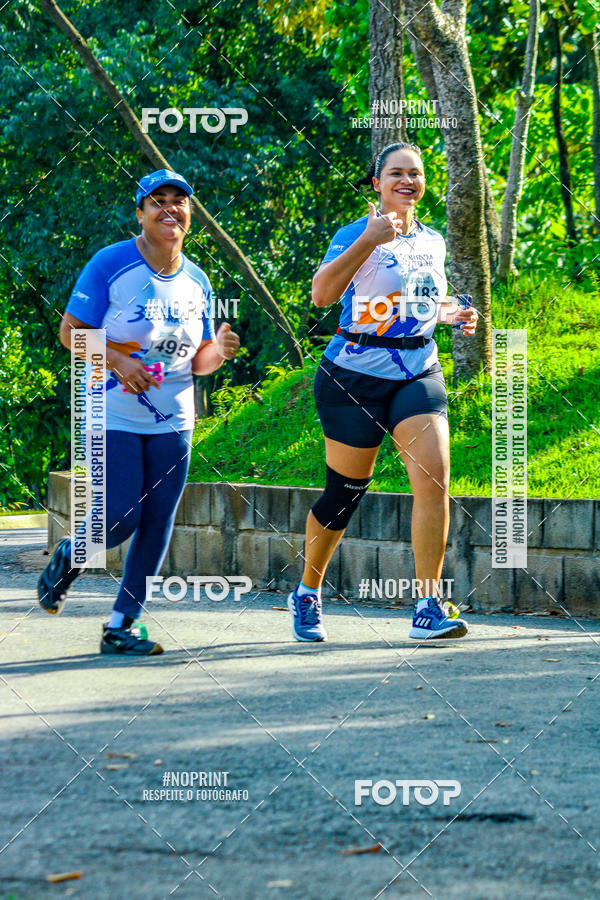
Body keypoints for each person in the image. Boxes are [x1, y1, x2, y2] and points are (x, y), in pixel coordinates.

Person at [38, 168, 240, 655]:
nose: (170, 208)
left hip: (174, 418)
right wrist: (118, 360)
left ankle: (121, 626)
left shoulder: (197, 280)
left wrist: (220, 351)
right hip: (111, 412)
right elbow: (70, 334)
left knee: (157, 523)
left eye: (179, 200)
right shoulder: (111, 263)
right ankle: (71, 554)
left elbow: (199, 360)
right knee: (120, 518)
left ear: (190, 212)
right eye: (158, 201)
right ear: (140, 213)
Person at [287, 142, 478, 642]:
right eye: (396, 173)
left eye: (415, 173)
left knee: (434, 478)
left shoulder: (433, 240)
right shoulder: (355, 233)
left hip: (418, 370)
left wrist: (455, 313)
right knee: (344, 494)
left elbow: (422, 303)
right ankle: (307, 590)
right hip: (353, 376)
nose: (407, 181)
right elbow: (322, 295)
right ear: (377, 183)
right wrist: (370, 240)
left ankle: (428, 606)